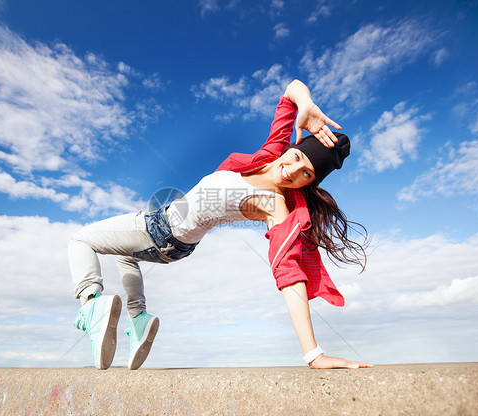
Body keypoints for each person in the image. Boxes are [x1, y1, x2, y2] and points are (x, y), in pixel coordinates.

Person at [68, 79, 372, 371]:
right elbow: (290, 92)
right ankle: (138, 319)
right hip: (171, 237)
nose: (291, 171)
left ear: (309, 184)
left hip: (161, 232)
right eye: (295, 158)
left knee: (80, 241)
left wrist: (313, 354)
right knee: (124, 254)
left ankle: (91, 306)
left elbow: (287, 271)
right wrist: (305, 104)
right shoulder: (266, 158)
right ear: (290, 149)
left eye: (305, 174)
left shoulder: (272, 203)